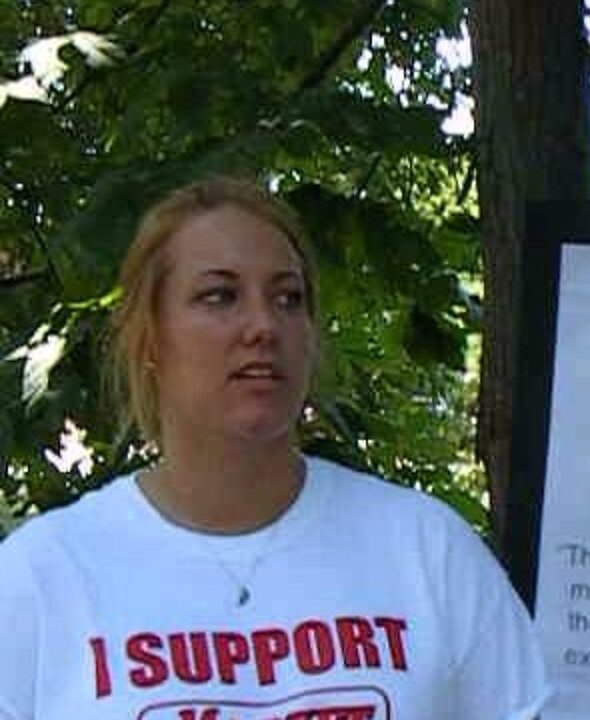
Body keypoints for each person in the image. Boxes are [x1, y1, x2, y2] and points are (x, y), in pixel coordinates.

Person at [0, 177, 549, 719]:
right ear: (151, 338)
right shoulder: (44, 578)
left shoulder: (427, 552)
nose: (263, 325)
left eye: (288, 299)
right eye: (219, 296)